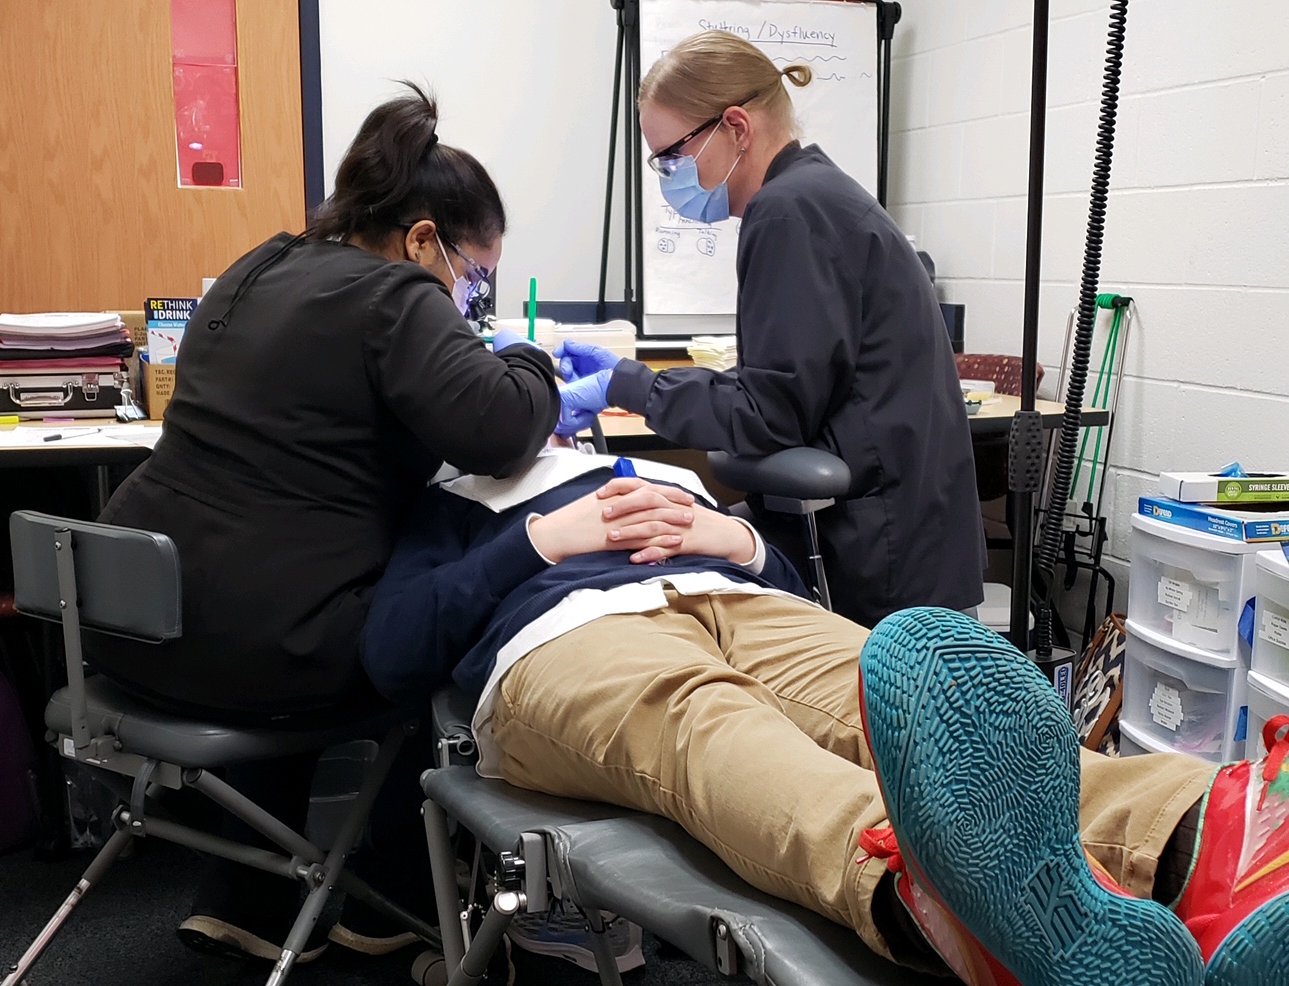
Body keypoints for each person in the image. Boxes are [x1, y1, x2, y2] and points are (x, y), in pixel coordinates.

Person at [365, 446, 1289, 986]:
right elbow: (394, 647)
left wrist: (730, 537)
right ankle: (947, 904)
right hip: (560, 637)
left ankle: (1210, 840)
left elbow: (787, 581)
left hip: (732, 596)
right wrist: (541, 540)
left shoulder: (645, 463)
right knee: (712, 726)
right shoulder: (451, 501)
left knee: (892, 692)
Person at [91, 84, 559, 963]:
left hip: (135, 626)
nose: (472, 295)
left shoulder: (259, 265)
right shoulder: (396, 297)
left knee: (293, 585)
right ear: (423, 239)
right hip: (260, 649)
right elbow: (499, 429)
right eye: (475, 274)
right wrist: (531, 359)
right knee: (424, 630)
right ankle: (394, 898)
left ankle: (249, 895)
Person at [550, 30, 986, 628]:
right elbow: (783, 384)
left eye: (672, 156)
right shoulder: (816, 194)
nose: (667, 176)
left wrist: (624, 387)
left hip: (872, 551)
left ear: (735, 127)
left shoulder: (789, 211)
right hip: (902, 531)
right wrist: (632, 382)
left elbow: (767, 415)